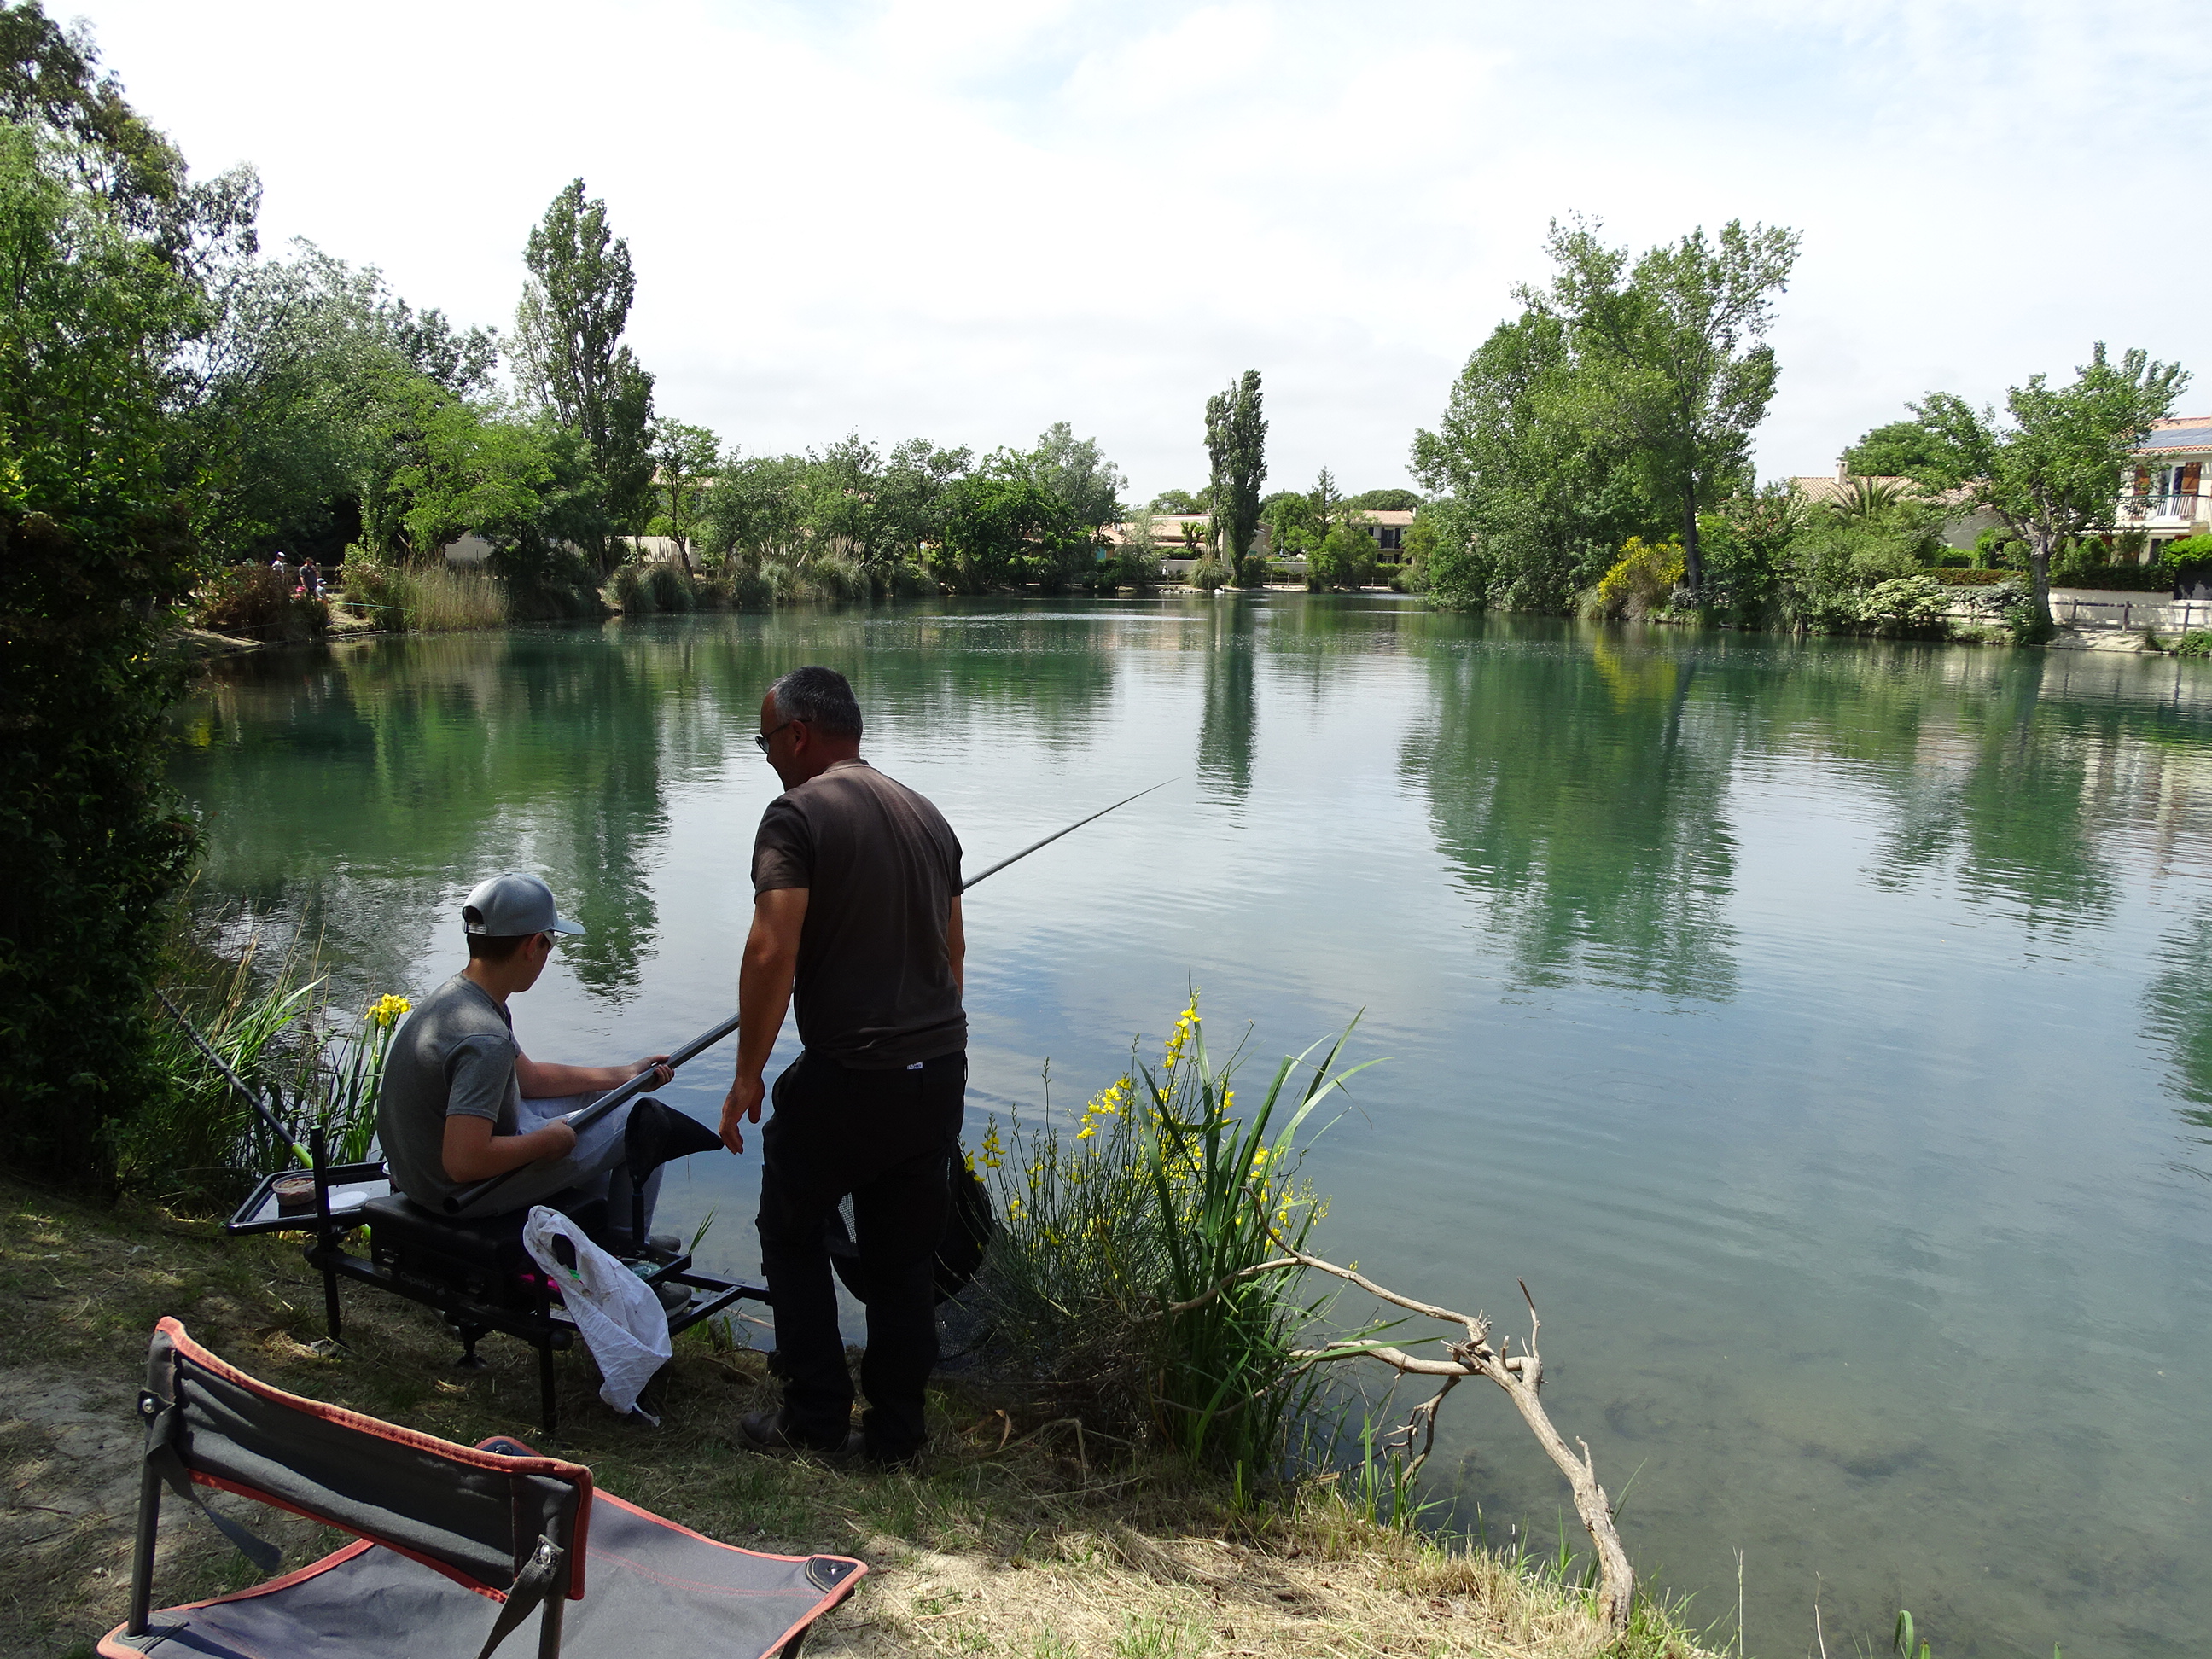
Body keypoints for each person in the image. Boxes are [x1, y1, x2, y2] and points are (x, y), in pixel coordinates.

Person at [722, 665, 965, 1467]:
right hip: (937, 1067)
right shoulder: (926, 815)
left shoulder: (794, 815)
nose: (766, 757)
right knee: (902, 1260)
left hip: (853, 1072)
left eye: (766, 741)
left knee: (788, 1226)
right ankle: (897, 1438)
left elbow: (771, 947)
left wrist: (749, 1071)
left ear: (797, 734)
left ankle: (816, 1416)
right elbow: (951, 953)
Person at [378, 871, 673, 1244]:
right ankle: (627, 1253)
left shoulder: (461, 1000)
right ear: (533, 945)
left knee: (609, 1101)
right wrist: (546, 1143)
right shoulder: (485, 1038)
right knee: (645, 1123)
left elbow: (531, 1082)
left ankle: (592, 1235)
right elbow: (464, 1161)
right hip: (461, 1193)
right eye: (550, 944)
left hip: (424, 1176)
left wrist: (625, 1075)